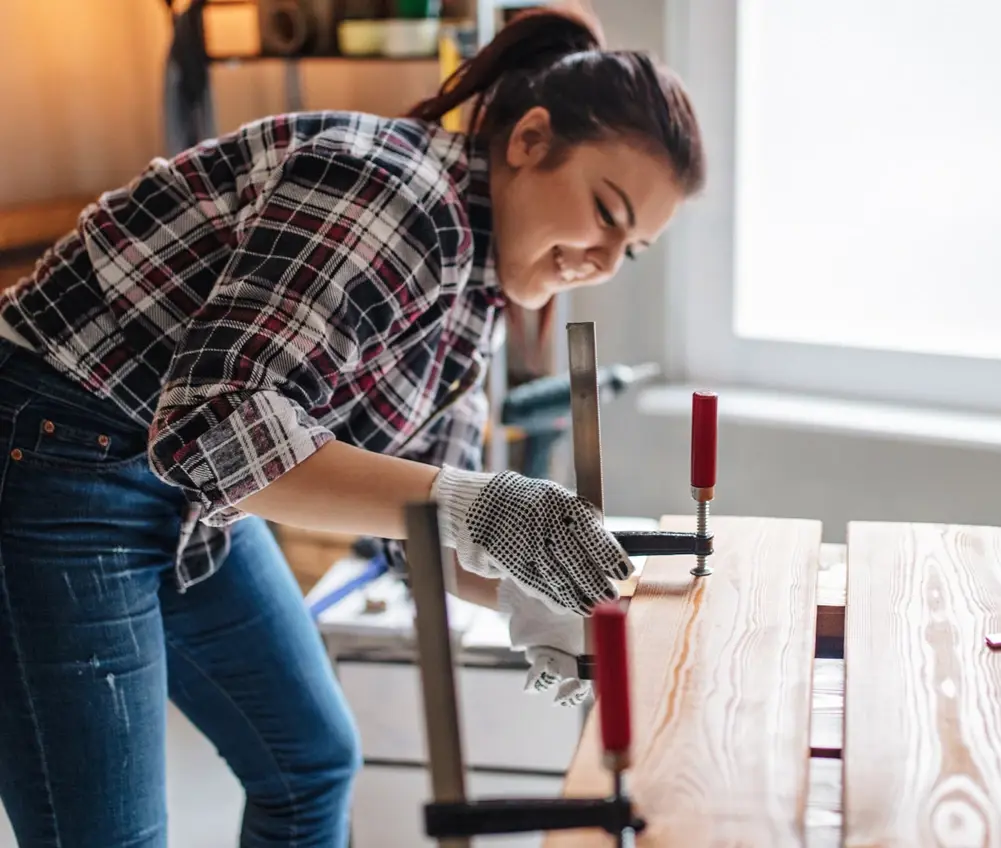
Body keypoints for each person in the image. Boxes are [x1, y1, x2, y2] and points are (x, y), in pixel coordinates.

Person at [0, 6, 705, 846]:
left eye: (633, 249)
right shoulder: (391, 191)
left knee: (310, 764)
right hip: (57, 455)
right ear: (529, 139)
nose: (603, 261)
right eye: (606, 210)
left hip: (183, 485)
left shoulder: (475, 287)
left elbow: (421, 528)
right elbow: (211, 426)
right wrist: (484, 507)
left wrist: (543, 597)